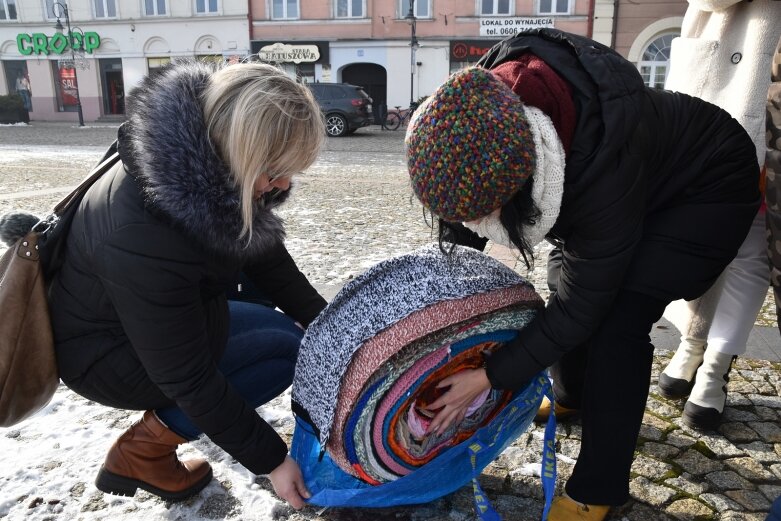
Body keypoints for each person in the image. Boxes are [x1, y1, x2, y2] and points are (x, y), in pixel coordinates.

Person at [404, 28, 759, 521]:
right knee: (563, 278)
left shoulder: (600, 160)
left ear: (530, 176)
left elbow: (582, 306)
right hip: (639, 176)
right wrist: (429, 319)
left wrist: (490, 375)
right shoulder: (476, 111)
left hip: (705, 188)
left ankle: (601, 486)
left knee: (618, 322)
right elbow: (463, 227)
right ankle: (573, 396)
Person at [45, 61, 326, 508]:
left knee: (283, 332)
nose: (285, 184)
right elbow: (188, 377)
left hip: (144, 317)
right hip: (104, 354)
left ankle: (173, 429)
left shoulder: (199, 160)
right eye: (274, 172)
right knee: (280, 350)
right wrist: (272, 460)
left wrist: (333, 327)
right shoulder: (143, 233)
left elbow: (268, 259)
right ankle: (142, 453)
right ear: (243, 150)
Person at [658, 1, 781, 431]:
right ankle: (693, 346)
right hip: (729, 82)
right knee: (707, 236)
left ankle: (713, 369)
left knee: (755, 246)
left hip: (761, 96)